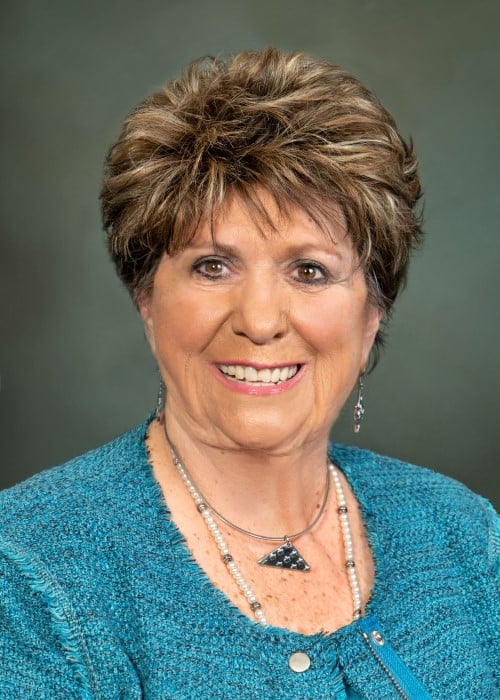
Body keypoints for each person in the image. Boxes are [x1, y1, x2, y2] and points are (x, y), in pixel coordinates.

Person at [0, 48, 497, 699]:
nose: (260, 321)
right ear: (147, 297)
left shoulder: (464, 534)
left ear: (372, 313)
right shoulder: (29, 570)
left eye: (309, 271)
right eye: (213, 266)